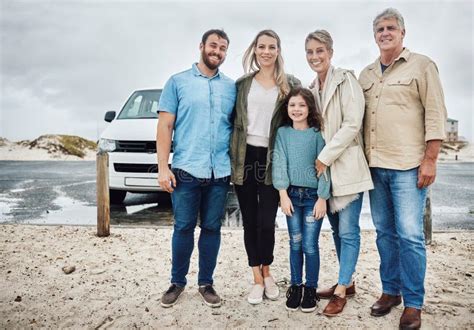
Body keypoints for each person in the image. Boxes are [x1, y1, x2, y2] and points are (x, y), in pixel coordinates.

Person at [359, 8, 447, 329]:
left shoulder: (422, 66)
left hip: (409, 167)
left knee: (410, 236)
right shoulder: (366, 74)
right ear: (375, 35)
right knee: (385, 234)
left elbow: (435, 114)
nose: (385, 32)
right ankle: (390, 291)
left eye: (391, 27)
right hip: (374, 168)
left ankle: (413, 303)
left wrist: (431, 159)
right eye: (380, 28)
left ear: (402, 32)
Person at [157, 29, 236, 308]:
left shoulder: (231, 86)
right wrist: (163, 168)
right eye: (213, 45)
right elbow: (165, 126)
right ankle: (177, 282)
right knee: (183, 228)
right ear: (201, 46)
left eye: (223, 48)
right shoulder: (177, 82)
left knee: (212, 229)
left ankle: (206, 283)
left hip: (219, 172)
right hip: (186, 170)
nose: (217, 51)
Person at [305, 30, 374, 316]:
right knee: (335, 230)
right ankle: (348, 280)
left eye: (320, 51)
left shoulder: (346, 79)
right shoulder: (310, 89)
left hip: (346, 166)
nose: (315, 57)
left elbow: (352, 123)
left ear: (330, 52)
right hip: (324, 173)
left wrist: (324, 156)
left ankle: (342, 289)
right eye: (309, 52)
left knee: (348, 230)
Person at [230, 29, 300, 305]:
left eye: (272, 47)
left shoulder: (289, 84)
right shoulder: (242, 85)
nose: (266, 51)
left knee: (267, 220)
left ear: (278, 50)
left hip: (273, 159)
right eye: (262, 46)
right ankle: (256, 278)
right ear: (254, 50)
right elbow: (231, 122)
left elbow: (299, 118)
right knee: (249, 220)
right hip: (244, 157)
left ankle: (268, 271)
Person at [272, 87, 331, 312]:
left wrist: (323, 197)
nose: (297, 109)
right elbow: (279, 162)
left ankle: (311, 289)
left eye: (302, 105)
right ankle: (296, 287)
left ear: (309, 108)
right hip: (291, 197)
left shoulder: (317, 134)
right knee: (295, 243)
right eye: (292, 105)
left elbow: (324, 166)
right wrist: (282, 194)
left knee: (309, 245)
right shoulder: (283, 133)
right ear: (287, 109)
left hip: (313, 198)